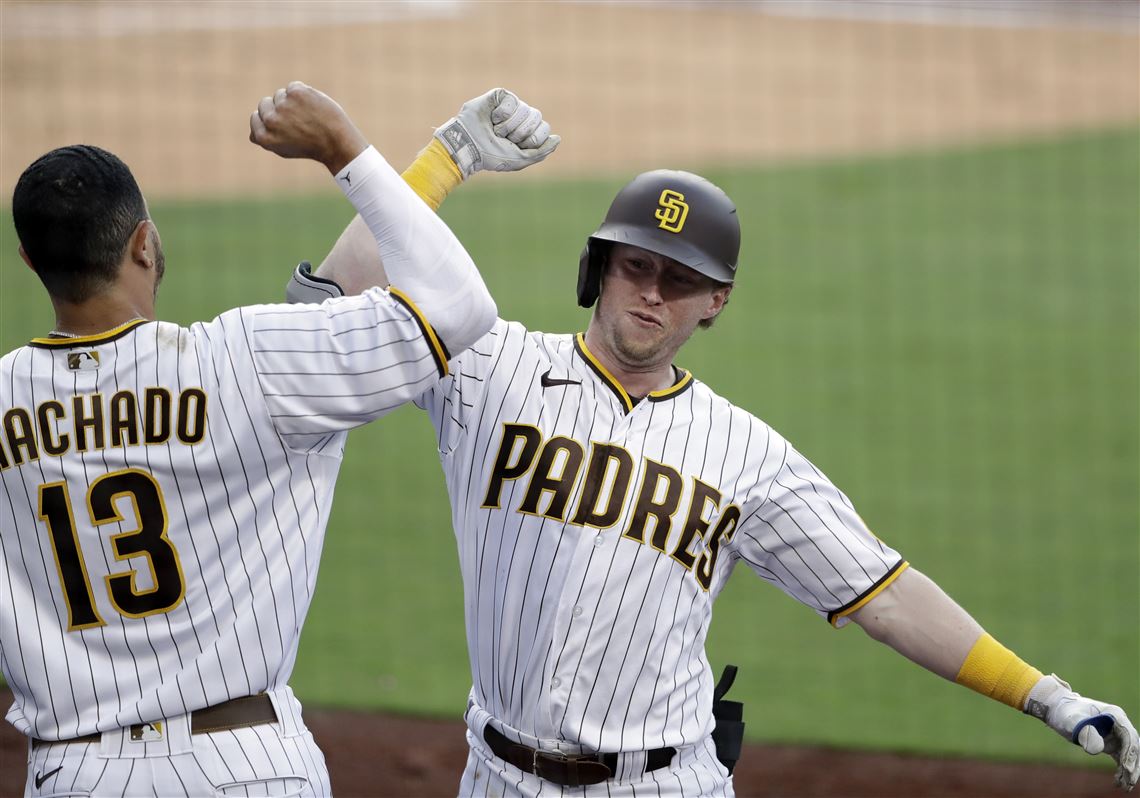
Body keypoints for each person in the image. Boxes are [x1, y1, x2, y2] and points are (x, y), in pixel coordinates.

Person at [307, 126, 1140, 794]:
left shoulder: (749, 454)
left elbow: (884, 595)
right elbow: (324, 310)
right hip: (495, 779)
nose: (652, 293)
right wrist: (446, 157)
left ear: (716, 301)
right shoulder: (490, 367)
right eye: (637, 266)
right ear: (599, 267)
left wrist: (1045, 695)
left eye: (679, 279)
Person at [0, 81, 517, 797]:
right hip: (245, 767)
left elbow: (326, 303)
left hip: (77, 774)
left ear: (28, 260)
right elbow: (455, 307)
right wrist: (352, 150)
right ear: (145, 243)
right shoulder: (245, 361)